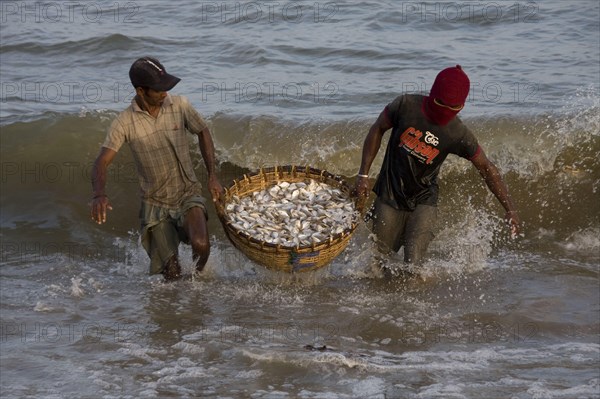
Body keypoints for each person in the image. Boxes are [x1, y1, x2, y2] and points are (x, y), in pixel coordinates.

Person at [353, 65, 520, 271]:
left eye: (453, 107)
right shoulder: (405, 105)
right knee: (379, 263)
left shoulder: (457, 133)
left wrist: (510, 209)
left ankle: (412, 303)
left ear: (461, 107)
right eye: (440, 103)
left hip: (425, 201)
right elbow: (377, 128)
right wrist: (363, 174)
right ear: (432, 94)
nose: (445, 111)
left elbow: (487, 168)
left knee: (414, 266)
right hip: (389, 195)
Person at [91, 56, 223, 281]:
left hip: (187, 193)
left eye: (166, 88)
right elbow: (101, 161)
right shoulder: (124, 122)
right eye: (158, 90)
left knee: (201, 243)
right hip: (155, 204)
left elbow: (203, 131)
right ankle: (178, 308)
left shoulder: (179, 105)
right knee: (171, 275)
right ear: (141, 91)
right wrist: (99, 195)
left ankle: (197, 283)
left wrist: (212, 177)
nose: (164, 94)